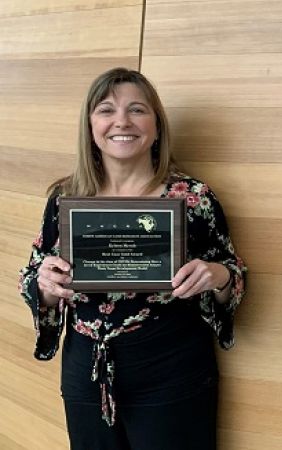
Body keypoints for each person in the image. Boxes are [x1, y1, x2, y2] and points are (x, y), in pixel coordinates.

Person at [18, 68, 247, 450]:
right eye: (106, 110)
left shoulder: (193, 198)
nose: (121, 121)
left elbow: (234, 275)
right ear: (90, 126)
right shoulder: (65, 197)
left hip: (171, 369)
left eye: (137, 110)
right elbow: (33, 274)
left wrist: (217, 275)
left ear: (156, 126)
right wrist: (44, 285)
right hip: (85, 372)